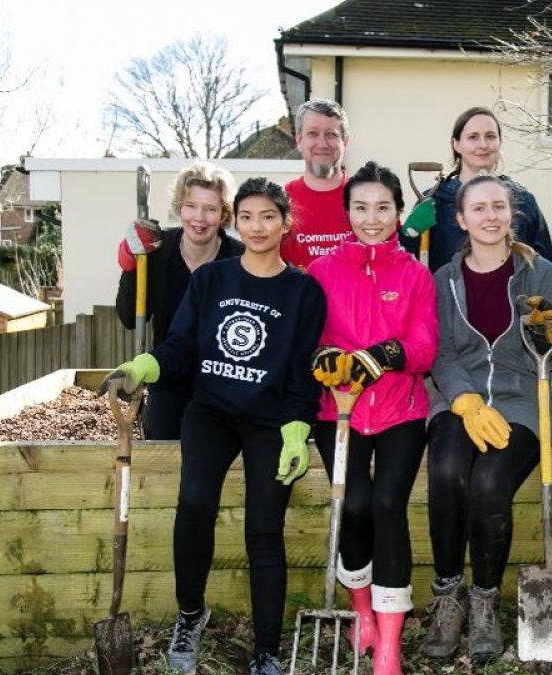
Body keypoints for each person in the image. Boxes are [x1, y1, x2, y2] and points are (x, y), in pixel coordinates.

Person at [100, 178, 327, 675]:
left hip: (270, 422)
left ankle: (266, 650)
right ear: (236, 222)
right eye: (247, 216)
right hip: (212, 413)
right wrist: (142, 367)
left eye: (268, 216)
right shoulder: (212, 281)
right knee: (195, 503)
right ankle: (190, 614)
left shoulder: (304, 290)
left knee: (264, 529)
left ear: (286, 222)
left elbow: (302, 375)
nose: (257, 226)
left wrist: (296, 430)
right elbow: (181, 348)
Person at [421, 174, 552, 663]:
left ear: (511, 214)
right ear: (461, 219)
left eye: (498, 207)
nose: (490, 216)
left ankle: (483, 601)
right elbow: (438, 350)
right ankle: (448, 596)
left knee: (488, 485)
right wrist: (462, 398)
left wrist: (547, 334)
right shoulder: (444, 278)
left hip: (520, 396)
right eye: (478, 209)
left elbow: (549, 354)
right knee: (446, 471)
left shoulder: (537, 270)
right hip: (456, 398)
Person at [305, 162, 438, 675]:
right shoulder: (322, 272)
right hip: (336, 411)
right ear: (347, 213)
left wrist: (383, 353)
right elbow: (309, 339)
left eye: (383, 207)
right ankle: (362, 612)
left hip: (401, 410)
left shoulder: (414, 274)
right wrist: (322, 359)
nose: (372, 218)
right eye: (361, 207)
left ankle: (389, 642)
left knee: (388, 504)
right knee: (355, 506)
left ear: (398, 212)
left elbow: (425, 348)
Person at [114, 161, 245, 439]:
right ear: (179, 207)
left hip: (223, 380)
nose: (199, 218)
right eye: (191, 206)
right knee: (161, 446)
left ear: (224, 214)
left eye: (210, 209)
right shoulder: (157, 251)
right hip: (169, 377)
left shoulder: (239, 259)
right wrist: (131, 265)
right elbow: (129, 317)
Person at [403, 106, 552, 272]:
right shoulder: (434, 201)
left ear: (499, 142)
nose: (483, 145)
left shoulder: (523, 200)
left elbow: (543, 263)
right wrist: (409, 235)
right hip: (448, 295)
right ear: (456, 144)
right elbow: (406, 266)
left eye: (490, 136)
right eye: (473, 137)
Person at [281, 98, 353, 271]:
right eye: (313, 133)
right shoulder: (280, 202)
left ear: (345, 142)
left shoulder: (367, 197)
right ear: (299, 140)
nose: (322, 144)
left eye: (331, 134)